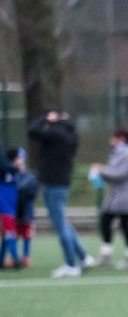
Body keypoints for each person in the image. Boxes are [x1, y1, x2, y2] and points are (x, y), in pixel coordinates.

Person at [28, 110, 92, 277]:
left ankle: (71, 264)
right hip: (62, 182)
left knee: (60, 224)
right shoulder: (71, 135)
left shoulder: (55, 134)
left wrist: (44, 117)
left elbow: (32, 131)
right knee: (62, 221)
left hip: (53, 183)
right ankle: (83, 257)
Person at [91, 126, 128, 269]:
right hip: (116, 196)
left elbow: (120, 173)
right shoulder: (119, 152)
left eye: (115, 138)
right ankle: (107, 254)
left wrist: (101, 171)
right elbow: (113, 170)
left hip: (125, 196)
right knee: (107, 222)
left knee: (123, 224)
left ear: (122, 139)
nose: (112, 141)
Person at [8, 148, 36, 267]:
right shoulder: (10, 175)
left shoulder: (30, 177)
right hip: (13, 210)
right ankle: (14, 257)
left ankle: (26, 257)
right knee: (13, 233)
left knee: (26, 234)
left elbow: (32, 193)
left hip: (25, 211)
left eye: (20, 158)